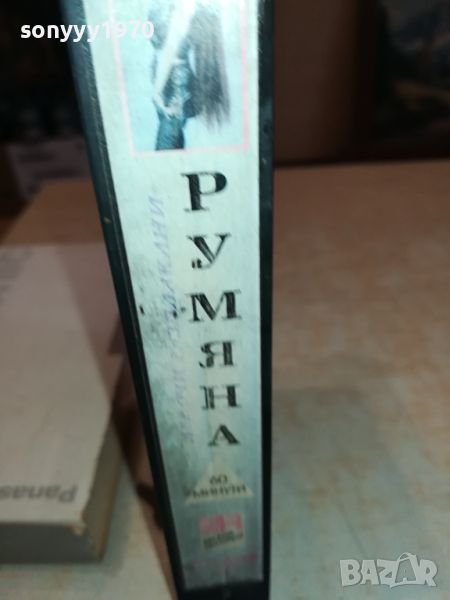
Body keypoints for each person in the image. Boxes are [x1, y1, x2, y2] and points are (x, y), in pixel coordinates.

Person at [148, 0, 230, 150]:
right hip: (170, 81)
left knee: (166, 144)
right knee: (173, 140)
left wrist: (156, 91)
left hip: (173, 84)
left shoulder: (185, 5)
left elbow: (171, 47)